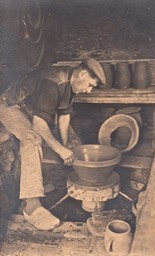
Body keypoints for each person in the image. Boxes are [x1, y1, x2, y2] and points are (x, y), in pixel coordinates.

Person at [0, 58, 106, 230]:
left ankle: (62, 178)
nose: (88, 90)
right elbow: (39, 125)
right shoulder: (53, 83)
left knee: (72, 140)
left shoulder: (70, 84)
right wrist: (60, 150)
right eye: (89, 85)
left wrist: (65, 147)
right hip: (11, 106)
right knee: (32, 139)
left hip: (31, 109)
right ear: (82, 73)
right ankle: (31, 206)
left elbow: (64, 117)